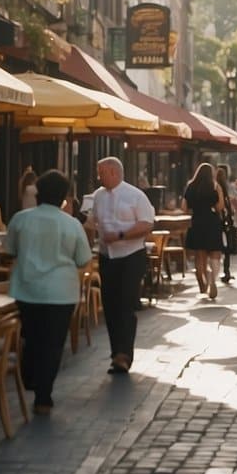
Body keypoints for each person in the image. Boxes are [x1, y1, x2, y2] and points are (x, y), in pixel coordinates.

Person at [7, 170, 92, 414]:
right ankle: (44, 395)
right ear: (64, 198)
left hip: (27, 289)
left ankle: (31, 376)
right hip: (61, 292)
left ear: (39, 194)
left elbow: (10, 250)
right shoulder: (72, 224)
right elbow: (83, 259)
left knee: (32, 337)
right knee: (54, 343)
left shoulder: (20, 219)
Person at [88, 157, 155, 373]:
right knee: (110, 305)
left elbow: (146, 224)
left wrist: (121, 235)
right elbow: (92, 221)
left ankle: (124, 355)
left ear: (114, 173)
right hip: (108, 256)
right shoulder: (98, 196)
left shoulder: (135, 195)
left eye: (102, 173)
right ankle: (115, 351)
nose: (98, 177)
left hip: (130, 254)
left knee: (125, 303)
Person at [183, 162, 224, 298]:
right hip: (212, 222)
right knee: (214, 254)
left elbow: (184, 207)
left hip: (197, 222)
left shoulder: (190, 186)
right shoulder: (215, 186)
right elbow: (220, 207)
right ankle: (213, 279)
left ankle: (202, 283)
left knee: (200, 255)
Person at [216, 165, 237, 284]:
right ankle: (226, 271)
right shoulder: (228, 187)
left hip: (217, 220)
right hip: (226, 221)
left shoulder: (214, 187)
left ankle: (217, 270)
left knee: (217, 247)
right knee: (227, 248)